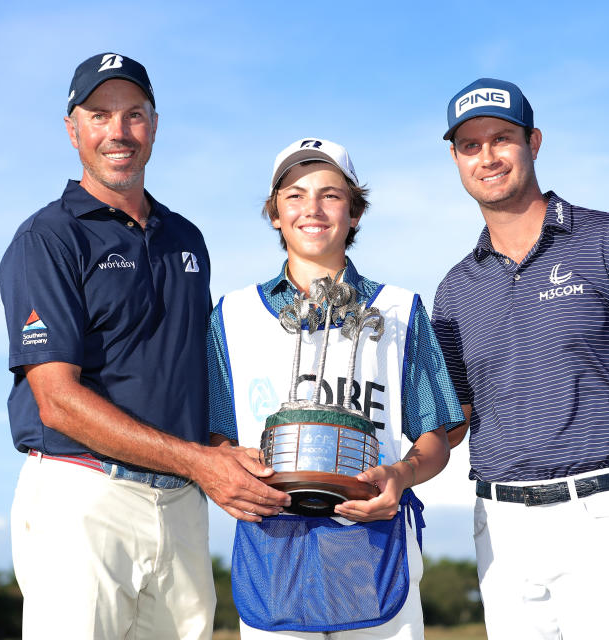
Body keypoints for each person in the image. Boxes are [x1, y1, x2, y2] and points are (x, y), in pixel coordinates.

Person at [0, 52, 290, 640]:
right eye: (99, 115)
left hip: (181, 504)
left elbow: (187, 373)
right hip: (83, 497)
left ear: (153, 125)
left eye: (133, 115)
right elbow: (56, 399)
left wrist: (226, 453)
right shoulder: (47, 239)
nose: (118, 132)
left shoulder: (186, 237)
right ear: (72, 128)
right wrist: (201, 463)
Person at [431, 78, 609, 639]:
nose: (487, 157)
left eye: (502, 138)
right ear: (455, 158)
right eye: (470, 145)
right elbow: (452, 422)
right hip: (500, 526)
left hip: (603, 514)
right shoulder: (455, 289)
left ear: (534, 141)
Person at [207, 138, 465, 639]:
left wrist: (401, 476)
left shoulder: (399, 310)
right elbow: (216, 436)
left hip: (372, 544)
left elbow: (436, 439)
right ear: (276, 214)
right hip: (274, 549)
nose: (313, 209)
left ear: (354, 212)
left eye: (331, 195)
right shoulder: (231, 315)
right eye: (295, 195)